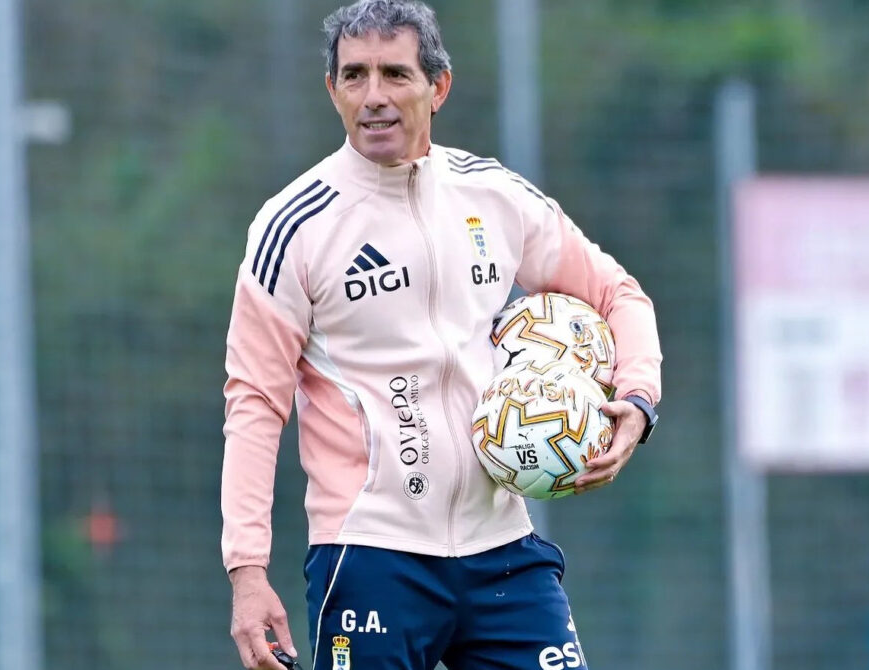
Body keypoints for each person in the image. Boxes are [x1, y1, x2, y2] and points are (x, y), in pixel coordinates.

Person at [220, 1, 662, 668]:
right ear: (332, 90)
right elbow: (254, 401)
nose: (373, 96)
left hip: (503, 550)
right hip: (369, 556)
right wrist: (247, 570)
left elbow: (617, 294)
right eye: (354, 76)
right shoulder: (294, 226)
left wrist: (636, 400)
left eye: (395, 74)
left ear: (438, 86)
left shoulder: (494, 196)